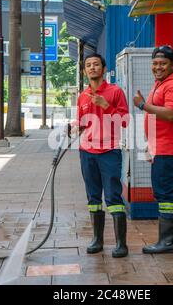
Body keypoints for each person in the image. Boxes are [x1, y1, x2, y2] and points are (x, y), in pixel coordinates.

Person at [69, 53, 129, 258]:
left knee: (113, 196)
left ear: (104, 69)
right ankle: (97, 240)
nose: (92, 68)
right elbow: (81, 121)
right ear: (84, 71)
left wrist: (106, 106)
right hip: (87, 152)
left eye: (96, 65)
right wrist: (73, 126)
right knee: (93, 197)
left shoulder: (115, 92)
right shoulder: (83, 96)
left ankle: (121, 244)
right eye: (88, 65)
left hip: (109, 151)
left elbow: (125, 121)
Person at [133, 45, 173, 254]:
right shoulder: (161, 84)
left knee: (165, 193)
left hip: (170, 148)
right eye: (155, 63)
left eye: (163, 63)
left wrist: (142, 106)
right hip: (165, 147)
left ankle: (167, 242)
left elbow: (171, 114)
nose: (158, 67)